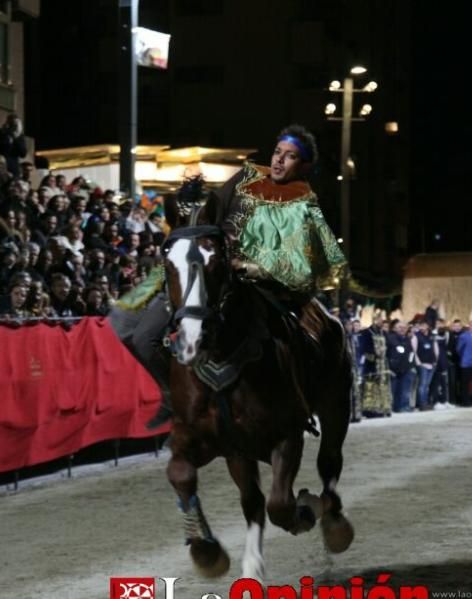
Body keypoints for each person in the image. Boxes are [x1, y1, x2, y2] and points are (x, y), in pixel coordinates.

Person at [108, 125, 346, 428]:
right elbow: (210, 216)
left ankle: (298, 404)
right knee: (139, 335)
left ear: (305, 166)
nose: (279, 161)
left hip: (265, 288)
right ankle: (171, 395)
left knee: (301, 338)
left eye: (290, 157)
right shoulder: (245, 177)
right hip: (209, 275)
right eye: (277, 153)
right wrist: (189, 214)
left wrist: (252, 267)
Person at [359, 313, 393, 417]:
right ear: (374, 320)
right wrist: (374, 356)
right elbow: (364, 348)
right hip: (372, 364)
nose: (382, 322)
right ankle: (370, 410)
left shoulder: (383, 333)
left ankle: (384, 408)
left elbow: (388, 346)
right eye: (380, 320)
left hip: (383, 363)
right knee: (371, 386)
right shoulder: (366, 332)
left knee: (383, 386)